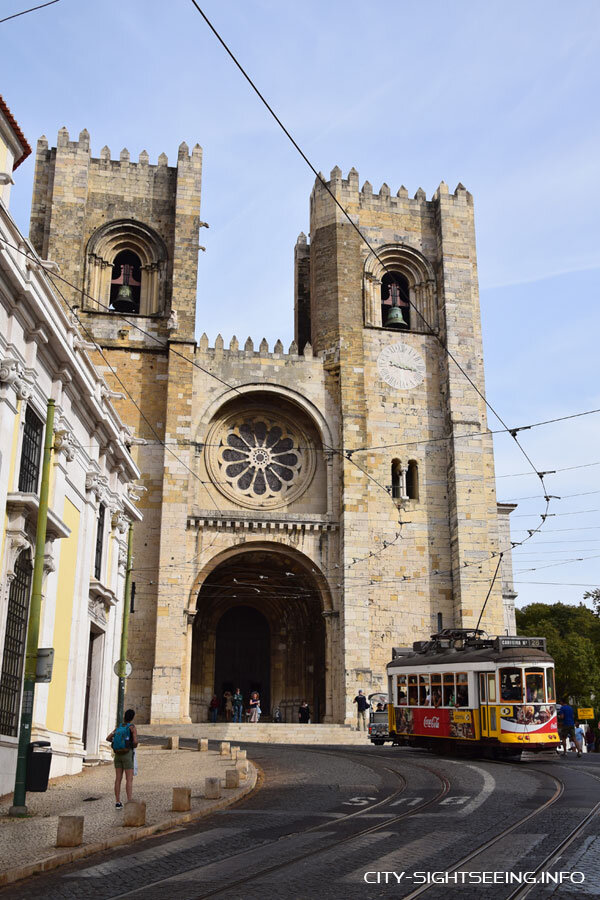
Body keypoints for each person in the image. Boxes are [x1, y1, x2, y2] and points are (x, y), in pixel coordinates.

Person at [106, 708, 138, 809]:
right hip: (127, 754)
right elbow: (135, 743)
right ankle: (129, 800)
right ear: (132, 718)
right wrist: (132, 743)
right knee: (129, 779)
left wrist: (117, 743)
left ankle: (117, 801)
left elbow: (108, 738)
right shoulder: (132, 727)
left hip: (118, 755)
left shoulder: (118, 727)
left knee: (118, 779)